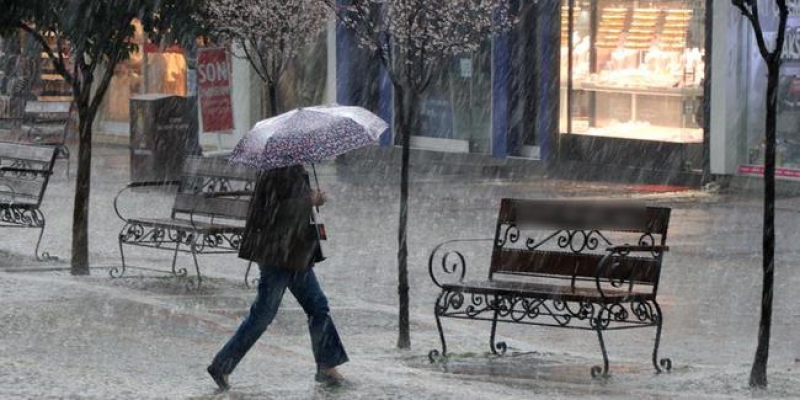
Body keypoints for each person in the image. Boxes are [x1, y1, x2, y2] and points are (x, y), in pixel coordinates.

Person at [207, 165, 348, 391]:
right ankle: (222, 365)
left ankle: (327, 367)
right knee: (263, 314)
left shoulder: (291, 168)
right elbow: (273, 211)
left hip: (294, 254)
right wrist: (309, 200)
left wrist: (310, 200)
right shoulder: (277, 170)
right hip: (278, 255)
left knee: (318, 306)